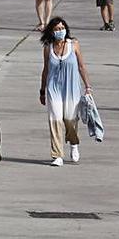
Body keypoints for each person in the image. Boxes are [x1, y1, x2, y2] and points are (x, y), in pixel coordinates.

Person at [39, 17, 94, 167]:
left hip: (71, 88)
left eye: (62, 28)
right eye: (56, 29)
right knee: (55, 120)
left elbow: (81, 67)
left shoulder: (74, 44)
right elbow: (45, 70)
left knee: (70, 119)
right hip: (53, 88)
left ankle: (73, 143)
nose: (60, 31)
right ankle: (57, 155)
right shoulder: (48, 47)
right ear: (51, 31)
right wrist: (42, 90)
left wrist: (88, 86)